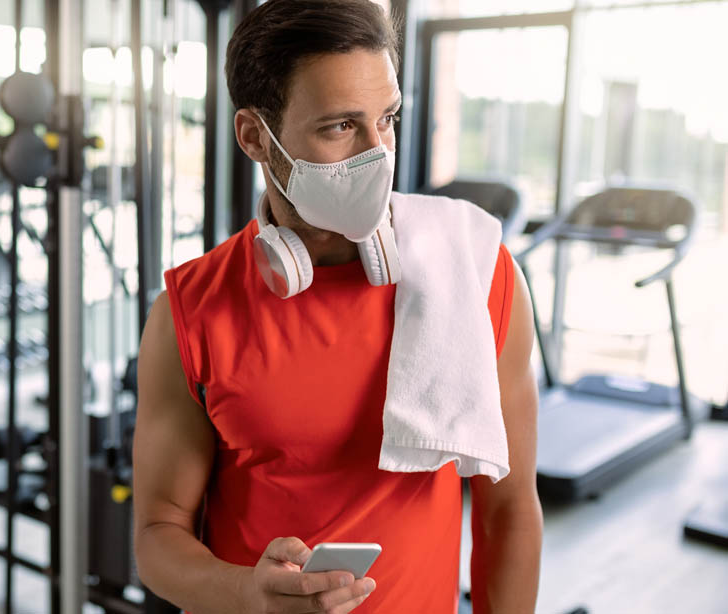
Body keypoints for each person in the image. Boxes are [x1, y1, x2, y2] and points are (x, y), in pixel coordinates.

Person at [131, 1, 543, 613]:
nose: (377, 152)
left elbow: (508, 511)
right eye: (340, 127)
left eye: (387, 119)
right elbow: (158, 536)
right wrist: (249, 594)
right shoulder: (189, 311)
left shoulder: (480, 277)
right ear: (254, 137)